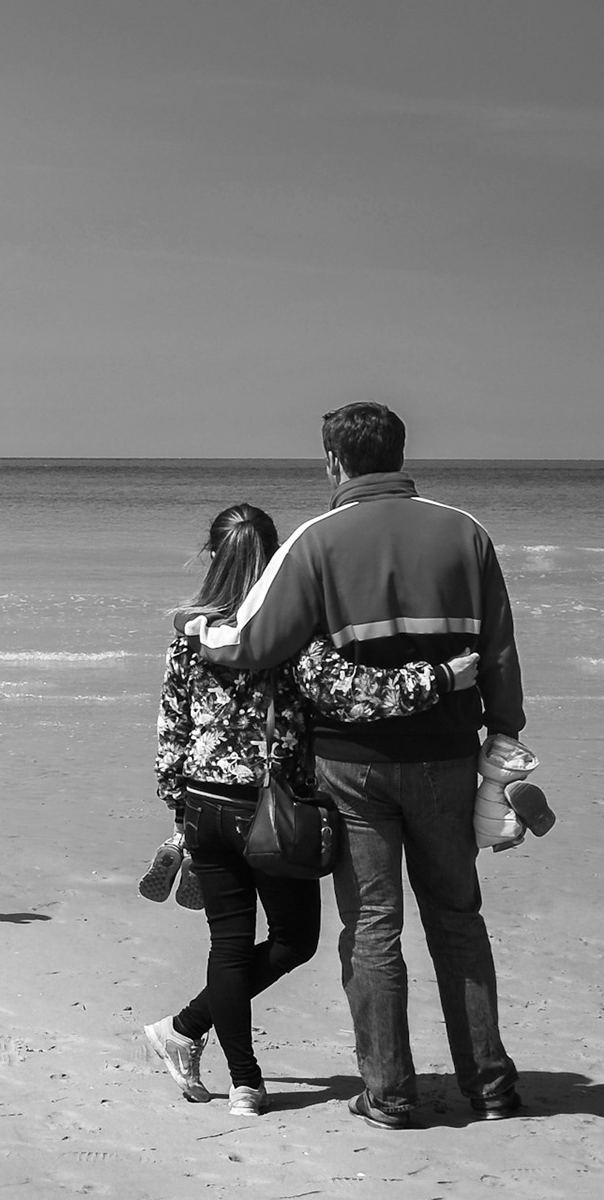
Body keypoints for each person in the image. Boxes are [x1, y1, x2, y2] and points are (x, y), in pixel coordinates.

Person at [185, 403, 528, 1127]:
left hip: (352, 765)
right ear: (401, 454)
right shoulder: (466, 531)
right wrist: (506, 735)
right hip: (446, 757)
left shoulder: (318, 539)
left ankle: (391, 1095)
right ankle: (491, 1089)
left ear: (332, 462)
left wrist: (197, 633)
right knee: (458, 919)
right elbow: (498, 647)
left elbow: (255, 640)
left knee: (373, 925)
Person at [142, 503, 480, 1116]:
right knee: (293, 941)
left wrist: (177, 814)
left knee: (230, 944)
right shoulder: (288, 631)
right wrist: (442, 678)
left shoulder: (190, 636)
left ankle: (231, 1073)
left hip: (203, 805)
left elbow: (172, 731)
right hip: (274, 811)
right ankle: (194, 1038)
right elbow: (353, 695)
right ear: (275, 560)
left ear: (211, 555)